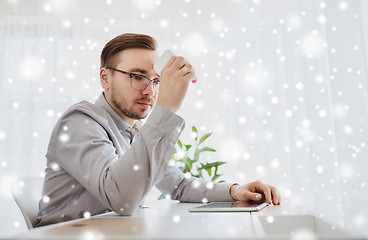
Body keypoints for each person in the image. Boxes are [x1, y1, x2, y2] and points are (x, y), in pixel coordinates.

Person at [36, 33, 281, 227]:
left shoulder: (134, 132)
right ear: (105, 77)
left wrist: (234, 190)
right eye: (136, 76)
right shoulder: (80, 122)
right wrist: (167, 108)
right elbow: (121, 198)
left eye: (155, 80)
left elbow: (177, 185)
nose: (150, 91)